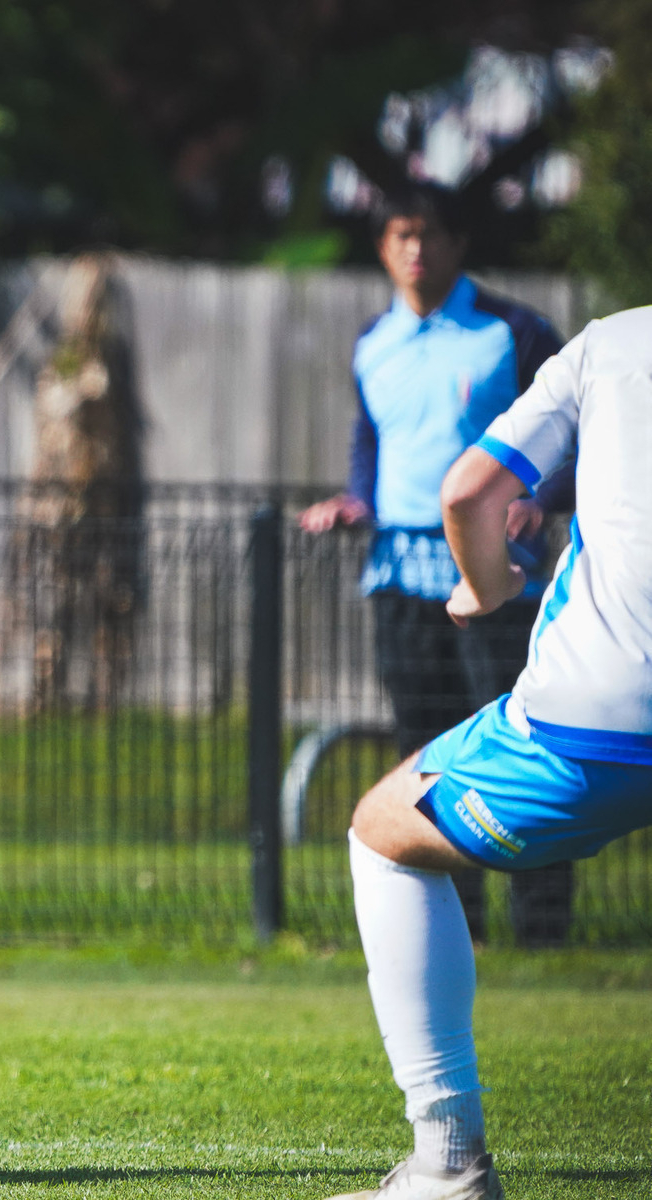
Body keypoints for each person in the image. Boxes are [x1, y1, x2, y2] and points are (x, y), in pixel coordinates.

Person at [325, 304, 652, 1199]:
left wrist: (483, 585)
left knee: (382, 831)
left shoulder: (610, 344)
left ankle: (446, 1161)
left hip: (602, 712)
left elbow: (467, 490)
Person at [298, 183, 574, 945]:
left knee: (523, 751)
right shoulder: (372, 343)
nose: (413, 249)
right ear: (382, 248)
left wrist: (540, 498)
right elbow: (371, 444)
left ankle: (543, 932)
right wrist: (357, 501)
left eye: (428, 234)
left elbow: (573, 436)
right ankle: (461, 932)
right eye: (398, 235)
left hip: (497, 581)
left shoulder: (512, 332)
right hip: (401, 579)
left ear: (456, 244)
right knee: (424, 756)